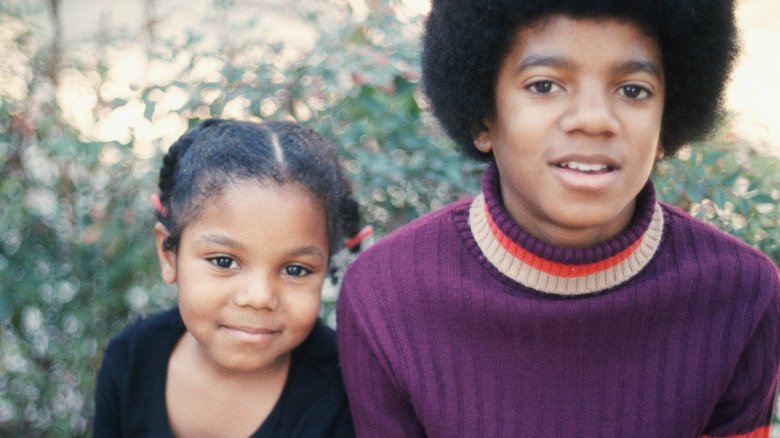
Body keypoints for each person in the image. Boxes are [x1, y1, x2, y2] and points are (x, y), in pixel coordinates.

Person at [336, 0, 780, 437]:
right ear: (483, 116)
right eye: (545, 85)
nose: (594, 120)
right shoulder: (385, 298)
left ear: (667, 123)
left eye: (633, 90)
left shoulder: (743, 296)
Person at [93, 119, 363, 437]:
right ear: (169, 254)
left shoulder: (344, 394)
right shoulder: (131, 361)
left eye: (295, 269)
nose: (259, 296)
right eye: (224, 261)